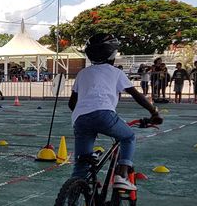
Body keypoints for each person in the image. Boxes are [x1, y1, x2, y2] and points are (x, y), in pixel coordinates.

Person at [68, 33, 162, 191]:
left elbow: (72, 103)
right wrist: (154, 112)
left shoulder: (82, 73)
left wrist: (88, 119)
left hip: (80, 119)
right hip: (104, 114)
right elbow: (137, 95)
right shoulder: (115, 72)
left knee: (81, 167)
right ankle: (122, 175)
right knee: (129, 137)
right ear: (112, 53)